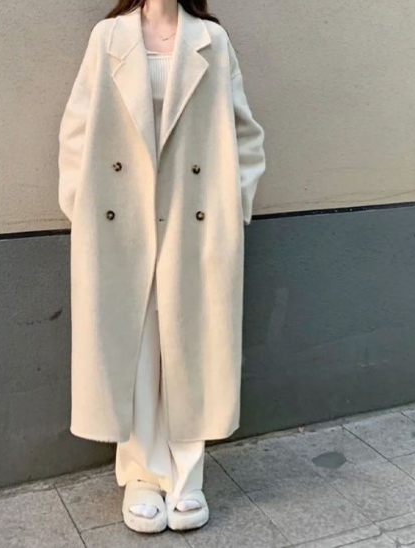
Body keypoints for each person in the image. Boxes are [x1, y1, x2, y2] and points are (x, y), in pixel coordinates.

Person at [58, 0, 266, 534]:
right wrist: (81, 207)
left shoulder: (211, 41)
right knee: (135, 347)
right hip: (121, 219)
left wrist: (232, 208)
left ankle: (188, 476)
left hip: (192, 217)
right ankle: (142, 476)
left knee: (190, 344)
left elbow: (244, 133)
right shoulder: (108, 38)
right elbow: (77, 129)